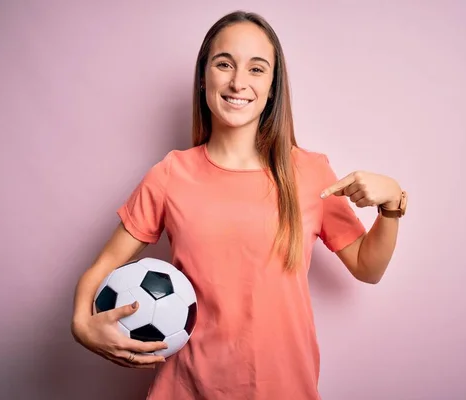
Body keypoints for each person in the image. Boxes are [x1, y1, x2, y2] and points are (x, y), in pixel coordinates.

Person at [70, 10, 407, 400]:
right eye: (224, 64)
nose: (238, 82)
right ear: (203, 77)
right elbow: (102, 267)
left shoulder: (311, 173)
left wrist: (392, 205)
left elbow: (369, 267)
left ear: (273, 86)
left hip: (285, 390)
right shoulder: (170, 174)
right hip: (186, 389)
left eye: (257, 69)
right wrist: (81, 325)